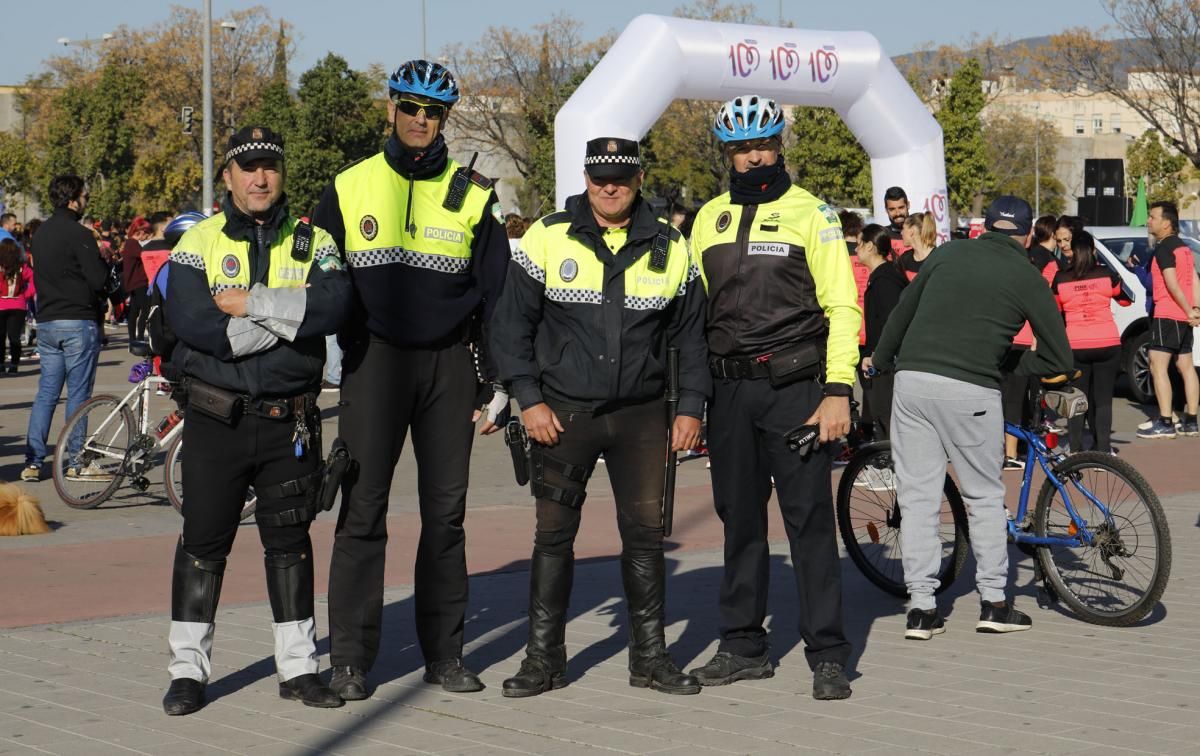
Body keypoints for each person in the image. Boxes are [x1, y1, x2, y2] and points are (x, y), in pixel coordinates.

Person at [315, 59, 511, 700]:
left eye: (434, 112)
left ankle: (445, 655)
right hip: (374, 363)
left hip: (449, 365)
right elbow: (315, 288)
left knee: (446, 518)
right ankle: (349, 658)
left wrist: (501, 381)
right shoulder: (348, 187)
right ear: (391, 108)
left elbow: (497, 300)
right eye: (410, 107)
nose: (421, 121)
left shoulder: (474, 192)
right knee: (362, 511)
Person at [490, 136, 708, 698]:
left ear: (639, 179)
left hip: (641, 418)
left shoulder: (670, 243)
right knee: (552, 538)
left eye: (621, 177)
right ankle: (544, 660)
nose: (609, 187)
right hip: (561, 416)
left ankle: (650, 659)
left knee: (644, 538)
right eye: (599, 177)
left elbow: (691, 337)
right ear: (586, 178)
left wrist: (689, 408)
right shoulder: (546, 235)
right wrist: (528, 399)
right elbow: (511, 326)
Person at [160, 125, 351, 716]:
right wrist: (288, 323)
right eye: (248, 168)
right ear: (228, 177)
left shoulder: (314, 239)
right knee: (202, 545)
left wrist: (253, 303)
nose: (260, 177)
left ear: (281, 174)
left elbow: (336, 305)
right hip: (216, 422)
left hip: (288, 424)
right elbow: (194, 325)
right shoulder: (200, 242)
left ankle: (298, 670)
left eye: (269, 166)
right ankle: (187, 672)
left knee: (290, 545)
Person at [687, 95, 859, 700]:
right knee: (739, 522)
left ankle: (829, 653)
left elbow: (842, 305)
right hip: (729, 393)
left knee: (808, 521)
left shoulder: (812, 213)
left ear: (779, 145)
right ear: (727, 152)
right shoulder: (706, 218)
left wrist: (838, 390)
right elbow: (691, 314)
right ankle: (742, 645)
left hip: (796, 389)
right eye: (740, 148)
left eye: (761, 145)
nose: (752, 156)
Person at [872, 196, 1073, 639]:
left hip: (913, 384)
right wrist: (1008, 363)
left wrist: (882, 361)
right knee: (982, 496)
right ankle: (994, 603)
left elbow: (902, 314)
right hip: (971, 390)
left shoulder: (946, 253)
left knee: (918, 499)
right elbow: (1059, 355)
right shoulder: (1027, 274)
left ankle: (922, 610)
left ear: (985, 229)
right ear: (1025, 235)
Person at [21, 175, 109, 482]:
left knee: (46, 393)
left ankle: (33, 461)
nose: (86, 202)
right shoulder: (79, 233)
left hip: (47, 321)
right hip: (77, 320)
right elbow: (98, 280)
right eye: (85, 197)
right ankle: (76, 460)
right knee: (79, 394)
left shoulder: (40, 234)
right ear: (73, 199)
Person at [1053, 230, 1130, 453]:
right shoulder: (1107, 275)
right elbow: (1125, 300)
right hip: (1108, 342)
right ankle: (1104, 449)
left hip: (1076, 344)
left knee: (1077, 399)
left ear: (1071, 252)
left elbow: (1056, 309)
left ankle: (1075, 450)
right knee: (1103, 398)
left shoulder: (1061, 278)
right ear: (1094, 251)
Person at [1138, 201, 1200, 438]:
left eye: (1152, 217)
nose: (1149, 221)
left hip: (1167, 314)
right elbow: (1194, 280)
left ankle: (1165, 422)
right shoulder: (1184, 248)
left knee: (1157, 365)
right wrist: (1195, 309)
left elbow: (1172, 283)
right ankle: (1191, 421)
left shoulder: (1164, 248)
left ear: (1166, 223)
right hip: (1183, 317)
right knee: (1186, 366)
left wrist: (1188, 310)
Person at [1000, 221, 1060, 467]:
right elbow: (1039, 311)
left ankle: (1014, 449)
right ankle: (1011, 455)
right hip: (1022, 341)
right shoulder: (1034, 274)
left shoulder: (1004, 272)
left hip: (1008, 340)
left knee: (1013, 398)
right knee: (1016, 399)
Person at [856, 224, 907, 439]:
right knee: (883, 416)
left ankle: (893, 466)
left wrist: (877, 355)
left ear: (869, 247)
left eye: (859, 244)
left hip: (888, 363)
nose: (855, 249)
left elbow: (891, 321)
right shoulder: (882, 276)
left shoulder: (885, 279)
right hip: (884, 359)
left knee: (887, 417)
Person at [0, 239, 34, 373]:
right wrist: (27, 294)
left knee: (0, 337)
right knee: (15, 337)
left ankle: (1, 364)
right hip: (18, 305)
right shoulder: (21, 266)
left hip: (1, 305)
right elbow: (34, 279)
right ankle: (14, 365)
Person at [897, 211, 937, 282]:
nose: (901, 233)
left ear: (911, 231)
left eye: (903, 228)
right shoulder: (904, 259)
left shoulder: (937, 257)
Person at [883, 186, 910, 256]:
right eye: (892, 209)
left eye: (901, 207)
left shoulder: (921, 232)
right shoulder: (881, 235)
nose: (897, 213)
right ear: (886, 210)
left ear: (908, 205)